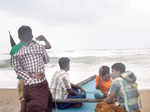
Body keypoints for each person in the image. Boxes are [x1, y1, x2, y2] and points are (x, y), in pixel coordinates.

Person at [10, 25, 52, 112]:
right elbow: (47, 59)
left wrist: (30, 74)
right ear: (32, 35)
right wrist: (34, 74)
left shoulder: (15, 50)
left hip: (24, 82)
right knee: (42, 105)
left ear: (19, 37)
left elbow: (16, 68)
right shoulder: (38, 46)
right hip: (38, 83)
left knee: (25, 103)